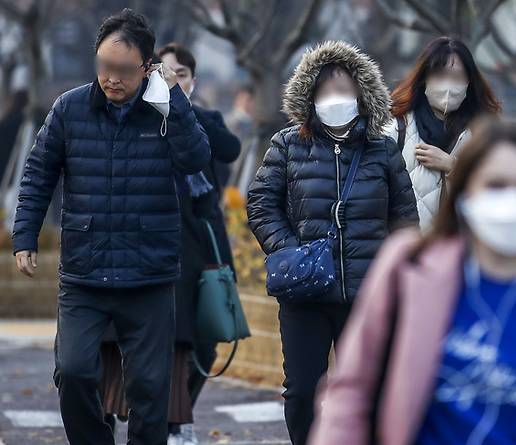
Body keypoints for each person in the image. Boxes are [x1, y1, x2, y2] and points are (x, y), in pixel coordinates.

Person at [309, 119, 516, 445]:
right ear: (466, 192)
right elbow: (351, 388)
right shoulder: (407, 267)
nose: (512, 201)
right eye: (496, 185)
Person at [11, 9, 210, 445]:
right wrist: (24, 235)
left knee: (150, 390)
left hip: (150, 274)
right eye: (104, 66)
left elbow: (197, 159)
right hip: (86, 272)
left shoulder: (164, 110)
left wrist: (174, 103)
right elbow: (38, 173)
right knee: (75, 372)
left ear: (147, 67)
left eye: (122, 70)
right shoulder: (70, 108)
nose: (111, 78)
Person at [247, 40, 419, 445]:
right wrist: (288, 249)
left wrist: (396, 272)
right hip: (305, 291)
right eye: (325, 90)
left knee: (369, 391)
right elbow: (261, 203)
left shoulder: (382, 150)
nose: (335, 98)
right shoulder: (287, 145)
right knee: (304, 391)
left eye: (344, 89)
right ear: (309, 95)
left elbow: (405, 218)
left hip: (368, 292)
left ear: (362, 95)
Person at [96, 42, 241, 445]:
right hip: (145, 243)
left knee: (203, 341)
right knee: (137, 341)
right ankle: (145, 419)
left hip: (199, 245)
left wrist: (181, 106)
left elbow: (230, 150)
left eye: (180, 73)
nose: (168, 78)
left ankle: (180, 417)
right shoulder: (137, 115)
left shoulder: (202, 117)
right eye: (162, 71)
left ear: (191, 80)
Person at [385, 36, 501, 232]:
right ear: (424, 79)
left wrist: (452, 166)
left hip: (463, 248)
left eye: (457, 78)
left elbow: (498, 190)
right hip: (412, 248)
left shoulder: (483, 133)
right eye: (440, 76)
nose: (448, 85)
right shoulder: (397, 128)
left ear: (469, 83)